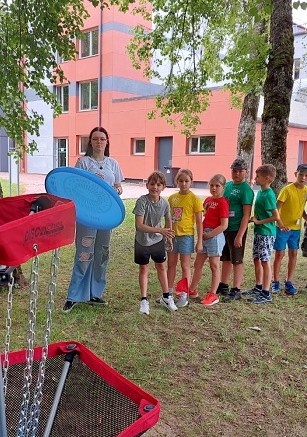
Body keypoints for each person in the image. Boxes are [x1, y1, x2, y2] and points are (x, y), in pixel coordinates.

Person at [63, 127, 124, 312]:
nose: (99, 142)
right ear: (90, 142)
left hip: (106, 216)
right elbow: (75, 187)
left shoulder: (113, 164)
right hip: (88, 217)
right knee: (84, 253)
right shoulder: (83, 163)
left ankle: (95, 293)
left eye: (102, 139)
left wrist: (117, 190)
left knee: (102, 254)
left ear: (107, 142)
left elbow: (118, 186)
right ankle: (73, 296)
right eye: (95, 139)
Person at [133, 171, 177, 315]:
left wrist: (169, 237)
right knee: (144, 268)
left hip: (158, 240)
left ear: (163, 187)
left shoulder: (165, 203)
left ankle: (166, 296)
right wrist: (160, 230)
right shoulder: (142, 201)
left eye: (158, 184)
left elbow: (168, 221)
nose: (155, 187)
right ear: (147, 185)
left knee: (161, 266)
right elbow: (139, 225)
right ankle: (144, 300)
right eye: (152, 184)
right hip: (142, 241)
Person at [188, 174, 229, 306]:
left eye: (217, 186)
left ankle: (213, 294)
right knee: (197, 264)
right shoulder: (207, 200)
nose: (214, 188)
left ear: (223, 187)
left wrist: (210, 234)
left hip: (215, 236)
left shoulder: (223, 203)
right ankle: (191, 290)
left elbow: (224, 225)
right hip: (204, 235)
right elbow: (203, 218)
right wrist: (201, 236)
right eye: (211, 185)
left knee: (214, 265)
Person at [271, 163, 307, 296]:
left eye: (306, 175)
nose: (303, 177)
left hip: (296, 229)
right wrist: (280, 224)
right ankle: (275, 281)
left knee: (293, 253)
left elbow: (300, 209)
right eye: (300, 174)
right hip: (282, 228)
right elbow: (276, 209)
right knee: (279, 254)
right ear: (295, 174)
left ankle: (288, 281)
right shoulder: (287, 190)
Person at [167, 169, 204, 308]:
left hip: (186, 236)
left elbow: (199, 222)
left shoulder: (194, 199)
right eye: (181, 181)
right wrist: (167, 234)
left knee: (185, 265)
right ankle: (168, 292)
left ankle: (184, 294)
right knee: (171, 264)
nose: (183, 184)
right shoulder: (172, 198)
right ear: (177, 181)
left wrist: (199, 241)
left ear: (191, 182)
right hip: (173, 235)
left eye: (186, 181)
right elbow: (168, 218)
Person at [219, 157, 254, 301]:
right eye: (234, 171)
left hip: (237, 228)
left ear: (246, 172)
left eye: (240, 171)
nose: (237, 174)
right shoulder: (227, 185)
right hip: (225, 227)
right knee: (226, 258)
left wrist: (240, 235)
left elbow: (246, 215)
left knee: (237, 259)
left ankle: (236, 289)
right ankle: (223, 284)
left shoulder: (246, 190)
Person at [247, 164, 280, 304]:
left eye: (258, 176)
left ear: (266, 178)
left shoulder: (269, 194)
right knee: (257, 259)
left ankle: (266, 293)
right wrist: (254, 219)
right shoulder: (260, 192)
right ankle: (258, 286)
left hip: (266, 233)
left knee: (265, 261)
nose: (255, 178)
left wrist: (259, 222)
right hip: (259, 231)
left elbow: (276, 216)